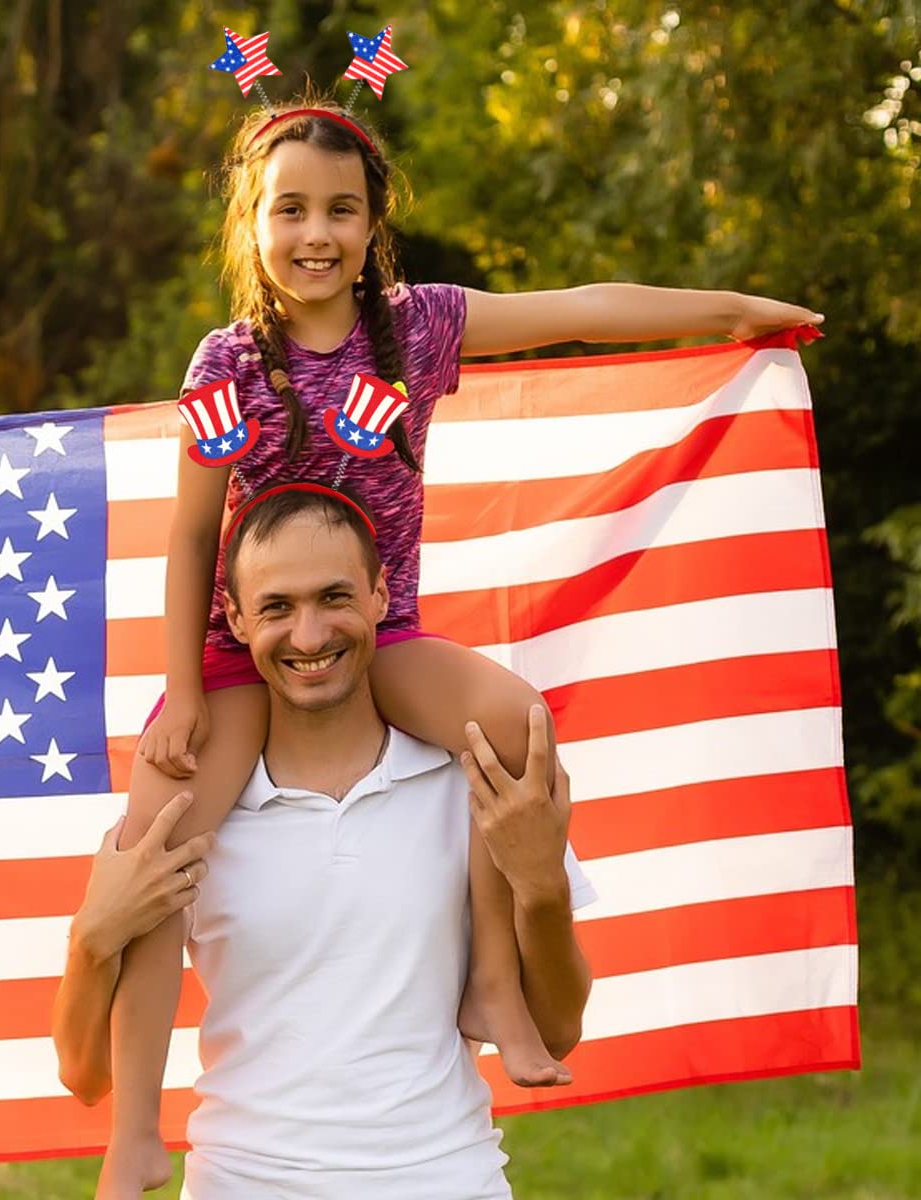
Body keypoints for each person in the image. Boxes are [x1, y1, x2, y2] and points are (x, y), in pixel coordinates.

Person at [89, 87, 825, 1196]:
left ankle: (491, 980)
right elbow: (191, 537)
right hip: (244, 653)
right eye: (290, 210)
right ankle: (135, 1133)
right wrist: (183, 692)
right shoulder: (224, 363)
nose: (316, 234)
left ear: (372, 224)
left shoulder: (421, 327)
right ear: (251, 222)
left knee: (515, 725)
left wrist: (723, 310)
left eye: (341, 210)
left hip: (376, 632)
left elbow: (577, 307)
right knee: (154, 856)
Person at [58, 484, 597, 1199]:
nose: (310, 636)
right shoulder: (192, 815)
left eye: (334, 598)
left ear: (381, 595)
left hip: (448, 1179)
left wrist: (541, 884)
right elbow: (85, 1075)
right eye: (278, 607)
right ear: (236, 619)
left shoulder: (468, 774)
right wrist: (93, 937)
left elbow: (557, 1030)